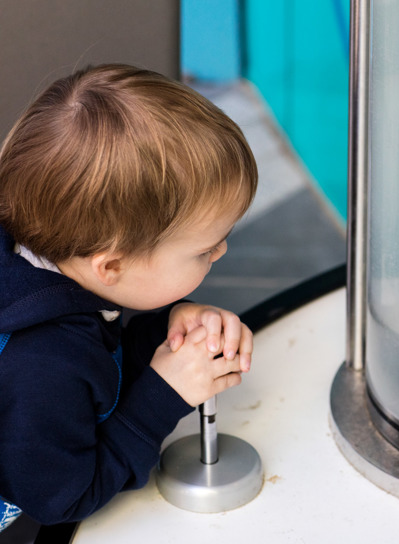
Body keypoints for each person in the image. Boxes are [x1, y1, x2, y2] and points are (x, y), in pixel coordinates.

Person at [0, 64, 258, 528]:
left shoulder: (49, 264)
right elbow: (63, 499)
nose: (222, 251)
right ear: (112, 266)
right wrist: (163, 396)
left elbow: (97, 353)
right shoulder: (41, 366)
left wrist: (161, 331)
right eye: (204, 248)